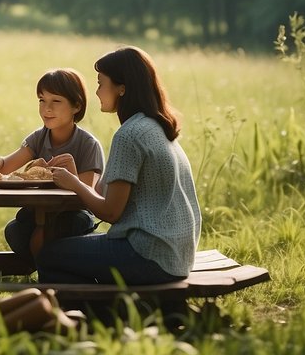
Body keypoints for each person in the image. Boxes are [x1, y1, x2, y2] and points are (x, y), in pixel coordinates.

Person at [35, 46, 201, 286]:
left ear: (122, 88)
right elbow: (107, 195)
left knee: (49, 255)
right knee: (69, 248)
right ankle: (107, 302)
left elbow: (111, 212)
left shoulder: (129, 135)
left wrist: (75, 185)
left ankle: (89, 307)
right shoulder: (156, 126)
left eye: (101, 83)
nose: (97, 91)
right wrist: (76, 177)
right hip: (176, 256)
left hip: (147, 254)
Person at [0, 68, 105, 265]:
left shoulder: (88, 144)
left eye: (56, 101)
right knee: (14, 230)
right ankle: (47, 267)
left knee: (58, 229)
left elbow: (87, 196)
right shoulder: (39, 138)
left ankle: (52, 271)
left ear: (76, 106)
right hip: (39, 210)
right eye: (42, 100)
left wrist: (72, 174)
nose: (46, 109)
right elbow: (4, 167)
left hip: (73, 214)